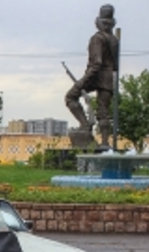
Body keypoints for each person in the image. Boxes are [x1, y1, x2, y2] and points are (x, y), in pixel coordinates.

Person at [64, 4, 119, 148]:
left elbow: (97, 63)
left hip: (95, 75)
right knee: (103, 111)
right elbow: (116, 65)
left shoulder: (97, 38)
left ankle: (85, 125)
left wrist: (82, 81)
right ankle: (105, 143)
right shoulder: (114, 40)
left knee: (70, 96)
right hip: (108, 77)